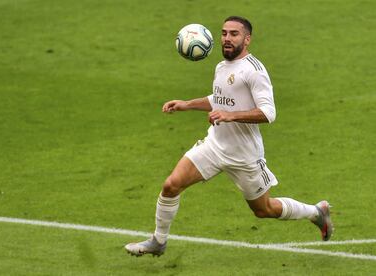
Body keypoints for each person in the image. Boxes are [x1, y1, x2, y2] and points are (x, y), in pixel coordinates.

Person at [125, 16, 333, 257]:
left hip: (244, 156)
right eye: (224, 33)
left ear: (247, 39)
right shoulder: (221, 67)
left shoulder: (255, 71)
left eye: (233, 34)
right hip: (214, 146)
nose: (226, 38)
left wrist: (231, 116)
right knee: (171, 185)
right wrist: (187, 104)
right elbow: (221, 99)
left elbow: (268, 112)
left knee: (264, 209)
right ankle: (159, 241)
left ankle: (316, 212)